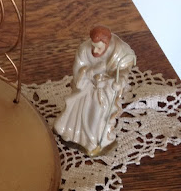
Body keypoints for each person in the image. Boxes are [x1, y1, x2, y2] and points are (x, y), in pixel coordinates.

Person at [54, 26, 136, 156]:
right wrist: (91, 72)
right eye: (93, 46)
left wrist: (118, 81)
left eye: (99, 48)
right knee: (79, 111)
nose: (95, 50)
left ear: (107, 44)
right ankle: (75, 135)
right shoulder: (84, 50)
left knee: (98, 115)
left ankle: (95, 141)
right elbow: (78, 72)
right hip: (87, 88)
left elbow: (124, 70)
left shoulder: (118, 51)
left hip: (106, 91)